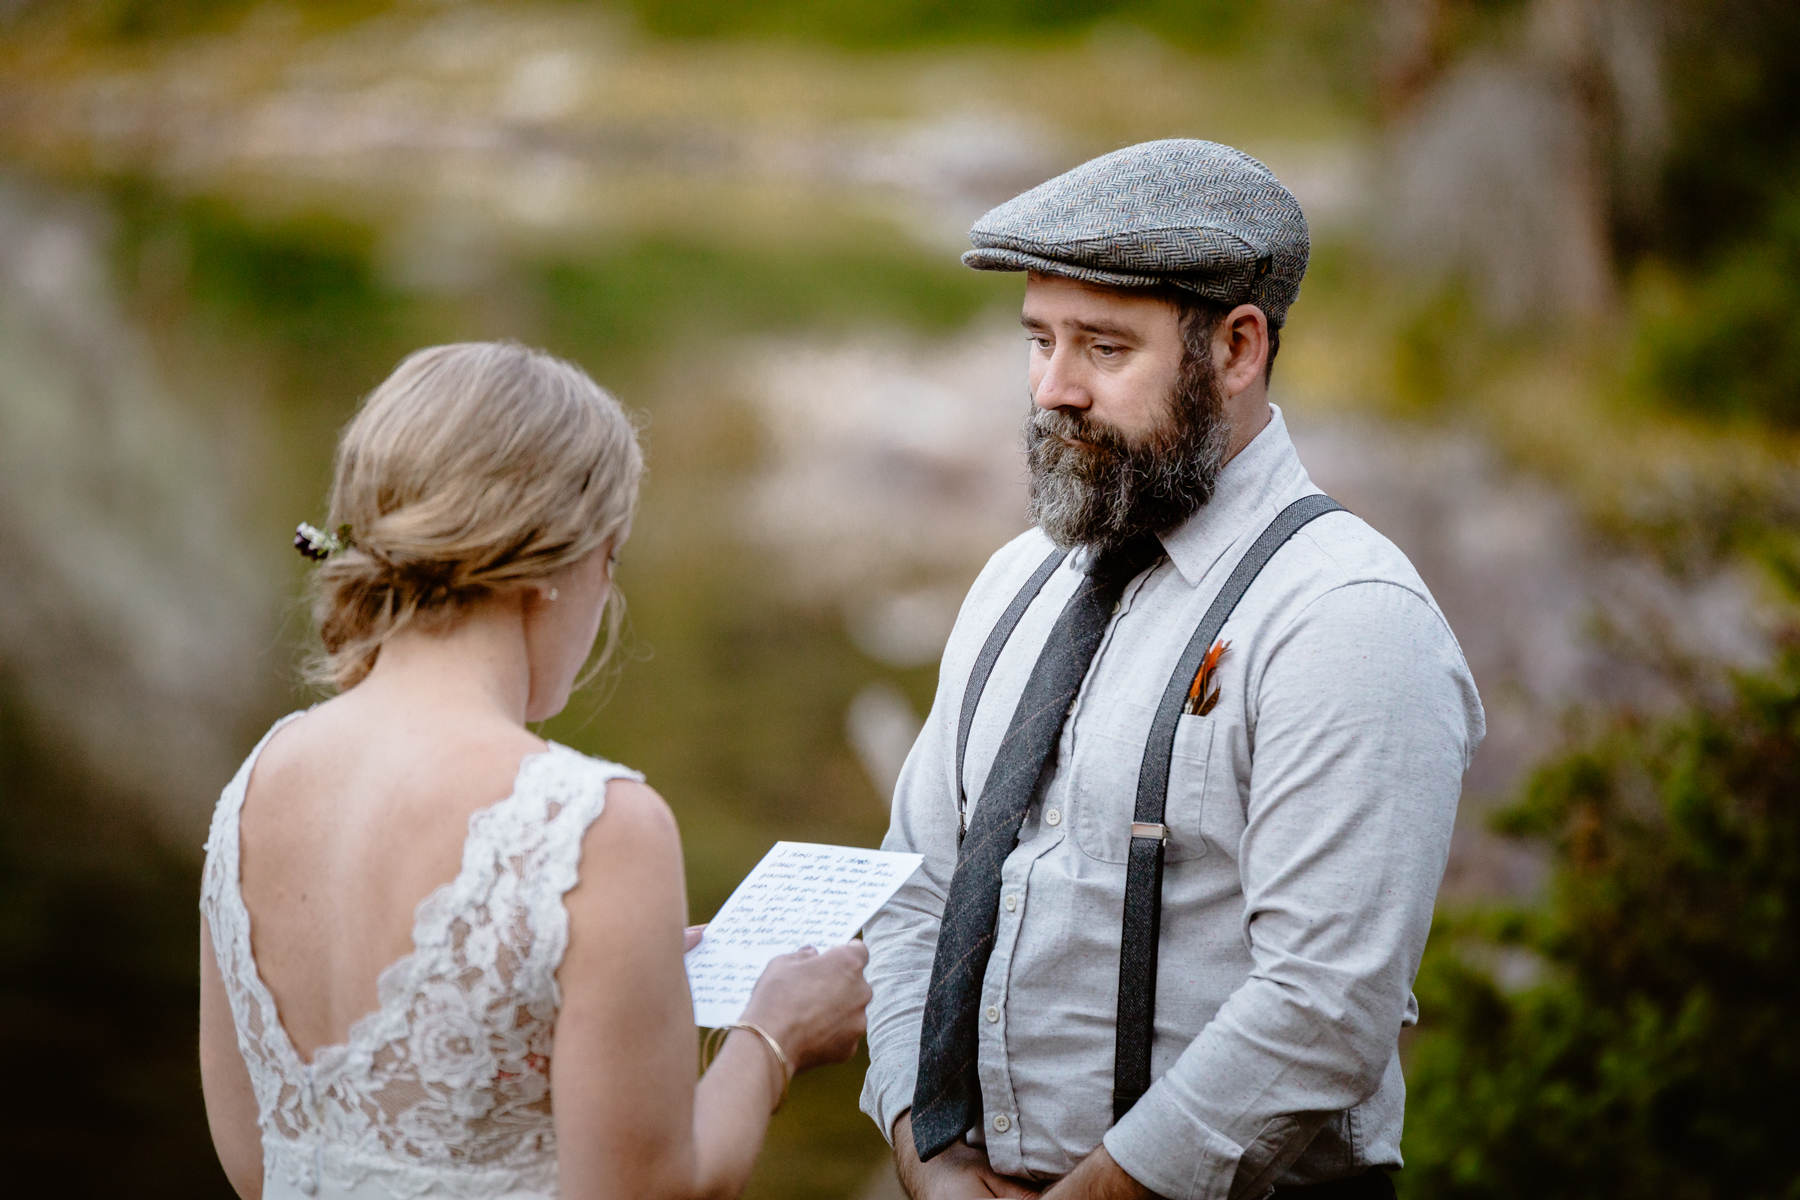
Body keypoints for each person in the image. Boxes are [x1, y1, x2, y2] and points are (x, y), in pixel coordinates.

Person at [859, 140, 1485, 1200]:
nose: (1053, 390)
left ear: (1237, 350)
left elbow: (1324, 1006)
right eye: (1039, 341)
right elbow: (914, 888)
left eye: (1104, 350)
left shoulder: (1347, 618)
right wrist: (930, 1155)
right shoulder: (1017, 580)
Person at [197, 341, 871, 1200]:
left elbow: (257, 1163)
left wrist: (598, 975)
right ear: (554, 563)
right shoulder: (591, 822)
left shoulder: (258, 781)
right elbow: (654, 1193)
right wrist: (775, 1036)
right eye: (610, 556)